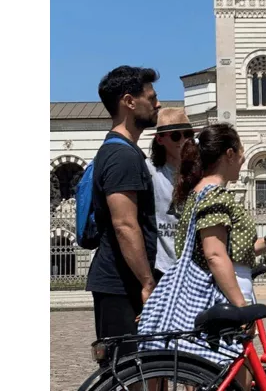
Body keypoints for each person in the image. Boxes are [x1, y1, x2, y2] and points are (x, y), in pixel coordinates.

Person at [139, 124, 266, 389]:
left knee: (232, 377)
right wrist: (241, 308)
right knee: (238, 378)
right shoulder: (214, 195)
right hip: (225, 293)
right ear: (229, 154)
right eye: (240, 153)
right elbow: (215, 255)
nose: (242, 159)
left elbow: (231, 251)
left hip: (223, 289)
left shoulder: (197, 193)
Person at [85, 66, 161, 363]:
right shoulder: (122, 156)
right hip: (121, 285)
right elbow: (125, 224)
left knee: (140, 372)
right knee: (132, 375)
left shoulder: (122, 151)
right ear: (129, 101)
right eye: (151, 97)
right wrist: (146, 282)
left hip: (121, 282)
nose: (157, 104)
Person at [146, 107, 195, 281]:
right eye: (175, 135)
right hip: (161, 267)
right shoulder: (149, 170)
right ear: (159, 139)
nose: (183, 140)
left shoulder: (198, 173)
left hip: (193, 267)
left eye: (188, 134)